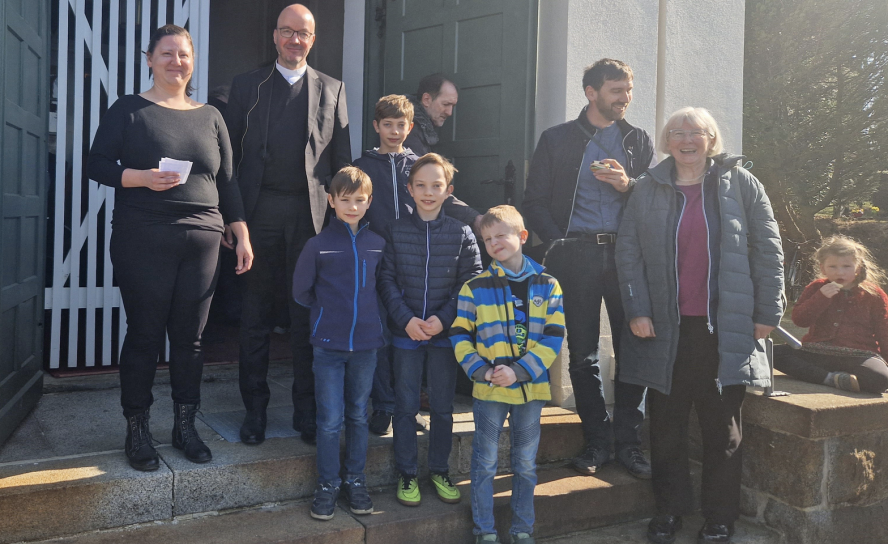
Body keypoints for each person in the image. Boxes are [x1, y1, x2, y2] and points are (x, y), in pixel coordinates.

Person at [87, 24, 253, 471]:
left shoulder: (211, 116)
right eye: (167, 54)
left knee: (191, 339)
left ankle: (185, 425)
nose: (176, 62)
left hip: (203, 240)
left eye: (183, 54)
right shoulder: (130, 110)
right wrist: (140, 177)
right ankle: (137, 429)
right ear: (149, 59)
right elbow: (95, 163)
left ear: (192, 61)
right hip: (143, 235)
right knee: (144, 334)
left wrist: (240, 230)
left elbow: (228, 181)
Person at [614, 107, 783, 544]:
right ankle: (669, 511)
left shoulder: (741, 184)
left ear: (711, 139)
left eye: (695, 132)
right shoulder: (648, 187)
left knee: (722, 428)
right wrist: (636, 309)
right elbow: (628, 253)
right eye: (676, 132)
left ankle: (720, 518)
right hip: (666, 329)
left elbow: (768, 248)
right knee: (666, 426)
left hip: (725, 328)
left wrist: (768, 311)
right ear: (667, 141)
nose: (685, 139)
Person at [224, 4, 351, 446]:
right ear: (275, 37)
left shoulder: (333, 89)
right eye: (287, 32)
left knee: (307, 318)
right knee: (255, 316)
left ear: (313, 39)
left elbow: (342, 165)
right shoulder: (246, 86)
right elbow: (230, 162)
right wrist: (233, 218)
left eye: (304, 33)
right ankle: (254, 412)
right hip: (258, 217)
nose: (295, 40)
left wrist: (342, 223)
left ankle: (307, 411)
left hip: (311, 219)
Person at [522, 58, 655, 479]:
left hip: (626, 256)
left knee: (634, 348)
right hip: (575, 254)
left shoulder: (637, 140)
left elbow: (654, 200)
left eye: (628, 90)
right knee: (582, 353)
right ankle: (597, 440)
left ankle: (630, 443)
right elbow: (535, 201)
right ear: (591, 92)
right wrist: (557, 246)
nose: (625, 98)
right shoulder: (557, 139)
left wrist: (627, 185)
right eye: (617, 90)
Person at [354, 94, 480, 435]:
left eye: (401, 126)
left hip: (416, 260)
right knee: (381, 335)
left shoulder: (418, 163)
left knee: (417, 334)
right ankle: (383, 405)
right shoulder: (362, 166)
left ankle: (411, 403)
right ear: (376, 127)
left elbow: (444, 197)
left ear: (410, 128)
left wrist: (478, 220)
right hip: (378, 264)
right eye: (388, 125)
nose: (394, 132)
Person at [450, 205, 566, 544]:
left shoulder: (548, 284)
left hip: (530, 392)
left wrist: (519, 371)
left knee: (526, 465)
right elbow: (459, 335)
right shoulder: (474, 287)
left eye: (501, 235)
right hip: (489, 391)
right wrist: (482, 371)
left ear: (522, 237)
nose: (494, 243)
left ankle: (521, 529)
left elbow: (554, 337)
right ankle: (484, 530)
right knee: (484, 463)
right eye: (487, 239)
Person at [378, 153, 482, 507]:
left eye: (436, 185)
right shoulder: (396, 230)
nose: (428, 192)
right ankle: (407, 473)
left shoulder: (461, 232)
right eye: (420, 185)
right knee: (406, 407)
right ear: (409, 189)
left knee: (441, 407)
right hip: (405, 334)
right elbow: (386, 279)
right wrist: (406, 319)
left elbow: (471, 279)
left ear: (448, 190)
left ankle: (439, 469)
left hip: (444, 337)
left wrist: (444, 318)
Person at [291, 167, 385, 521]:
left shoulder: (377, 244)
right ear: (331, 201)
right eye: (345, 199)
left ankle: (355, 480)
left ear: (369, 202)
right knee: (330, 420)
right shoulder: (317, 245)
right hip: (328, 347)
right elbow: (301, 292)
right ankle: (327, 484)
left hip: (366, 345)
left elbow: (383, 287)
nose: (352, 206)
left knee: (359, 415)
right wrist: (325, 313)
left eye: (360, 200)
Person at [774, 235, 888, 394]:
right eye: (833, 267)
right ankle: (830, 378)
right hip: (817, 351)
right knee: (774, 354)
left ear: (858, 268)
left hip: (858, 355)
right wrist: (821, 298)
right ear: (823, 268)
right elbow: (800, 320)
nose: (839, 272)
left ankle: (831, 376)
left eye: (846, 266)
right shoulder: (817, 288)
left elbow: (884, 332)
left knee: (880, 379)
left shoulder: (874, 294)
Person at [403, 74, 481, 230]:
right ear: (426, 100)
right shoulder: (409, 133)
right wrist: (473, 218)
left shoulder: (422, 128)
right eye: (446, 104)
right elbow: (428, 182)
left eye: (452, 106)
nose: (450, 112)